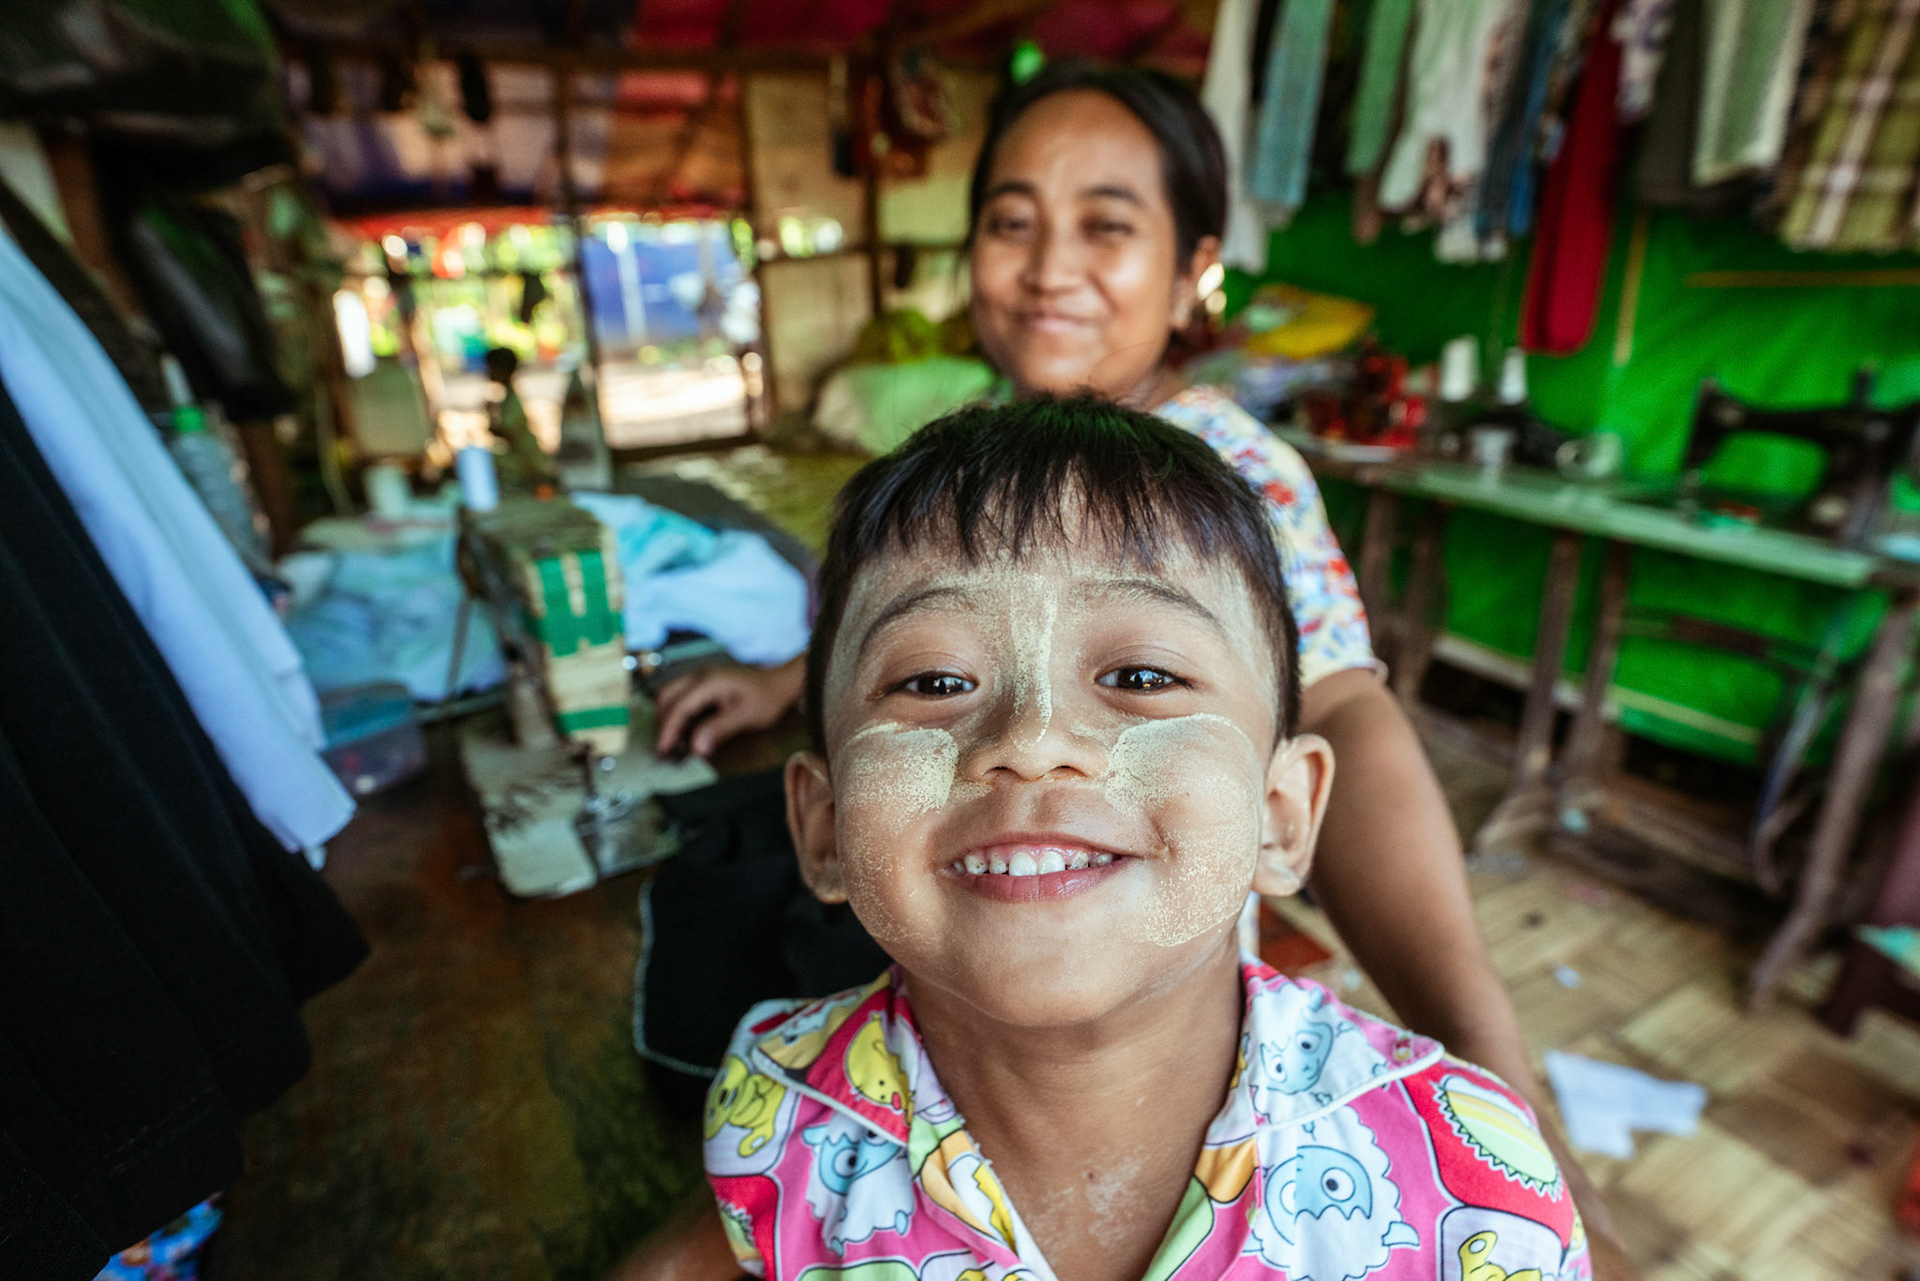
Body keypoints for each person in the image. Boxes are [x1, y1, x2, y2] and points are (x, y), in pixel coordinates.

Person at [647, 63, 1634, 1278]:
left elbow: (1344, 708)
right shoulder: (978, 437)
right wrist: (790, 679)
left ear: (1191, 270)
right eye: (1013, 221)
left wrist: (1494, 1081)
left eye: (1107, 226)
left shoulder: (1231, 471)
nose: (1051, 266)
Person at [679, 397, 1593, 1281]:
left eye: (1142, 673)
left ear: (1280, 814)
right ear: (825, 825)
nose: (1030, 741)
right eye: (932, 680)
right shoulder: (771, 1109)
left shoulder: (1475, 1197)